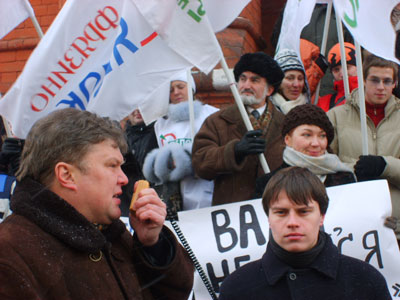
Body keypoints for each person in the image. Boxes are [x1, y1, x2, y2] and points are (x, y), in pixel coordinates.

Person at [0, 108, 194, 299]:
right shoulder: (11, 256)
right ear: (67, 175)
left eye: (121, 166)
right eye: (112, 166)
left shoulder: (111, 232)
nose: (124, 179)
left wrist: (153, 244)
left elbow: (172, 294)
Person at [219, 167, 391, 300]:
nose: (292, 222)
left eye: (303, 212)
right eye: (281, 212)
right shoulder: (237, 288)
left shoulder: (366, 281)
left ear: (322, 216)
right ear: (268, 218)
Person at [192, 52, 285, 205]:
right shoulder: (217, 121)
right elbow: (200, 163)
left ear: (269, 90)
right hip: (233, 215)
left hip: (276, 210)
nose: (246, 86)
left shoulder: (287, 124)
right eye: (243, 79)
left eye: (255, 80)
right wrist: (234, 151)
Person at [328, 54, 400, 246]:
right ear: (363, 80)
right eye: (374, 80)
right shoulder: (336, 116)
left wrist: (385, 165)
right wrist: (354, 170)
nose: (380, 87)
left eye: (387, 81)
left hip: (395, 228)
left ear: (395, 83)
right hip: (353, 228)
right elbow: (323, 162)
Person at [143, 71, 218, 212]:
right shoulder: (161, 124)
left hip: (208, 190)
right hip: (174, 197)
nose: (176, 92)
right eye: (171, 90)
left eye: (180, 87)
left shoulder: (211, 114)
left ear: (191, 88)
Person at [254, 104, 355, 198]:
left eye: (322, 136)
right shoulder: (268, 184)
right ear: (288, 139)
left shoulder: (344, 178)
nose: (315, 143)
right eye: (307, 135)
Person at [120, 108, 158, 216]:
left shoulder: (161, 135)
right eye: (132, 106)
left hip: (152, 202)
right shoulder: (118, 140)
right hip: (125, 206)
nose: (137, 110)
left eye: (142, 105)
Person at [317, 42, 359, 112]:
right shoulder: (323, 103)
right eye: (336, 70)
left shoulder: (370, 97)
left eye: (347, 67)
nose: (342, 74)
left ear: (358, 67)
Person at [271, 49, 310, 114]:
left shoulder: (310, 113)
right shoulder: (264, 111)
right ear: (278, 81)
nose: (296, 84)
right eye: (290, 78)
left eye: (300, 79)